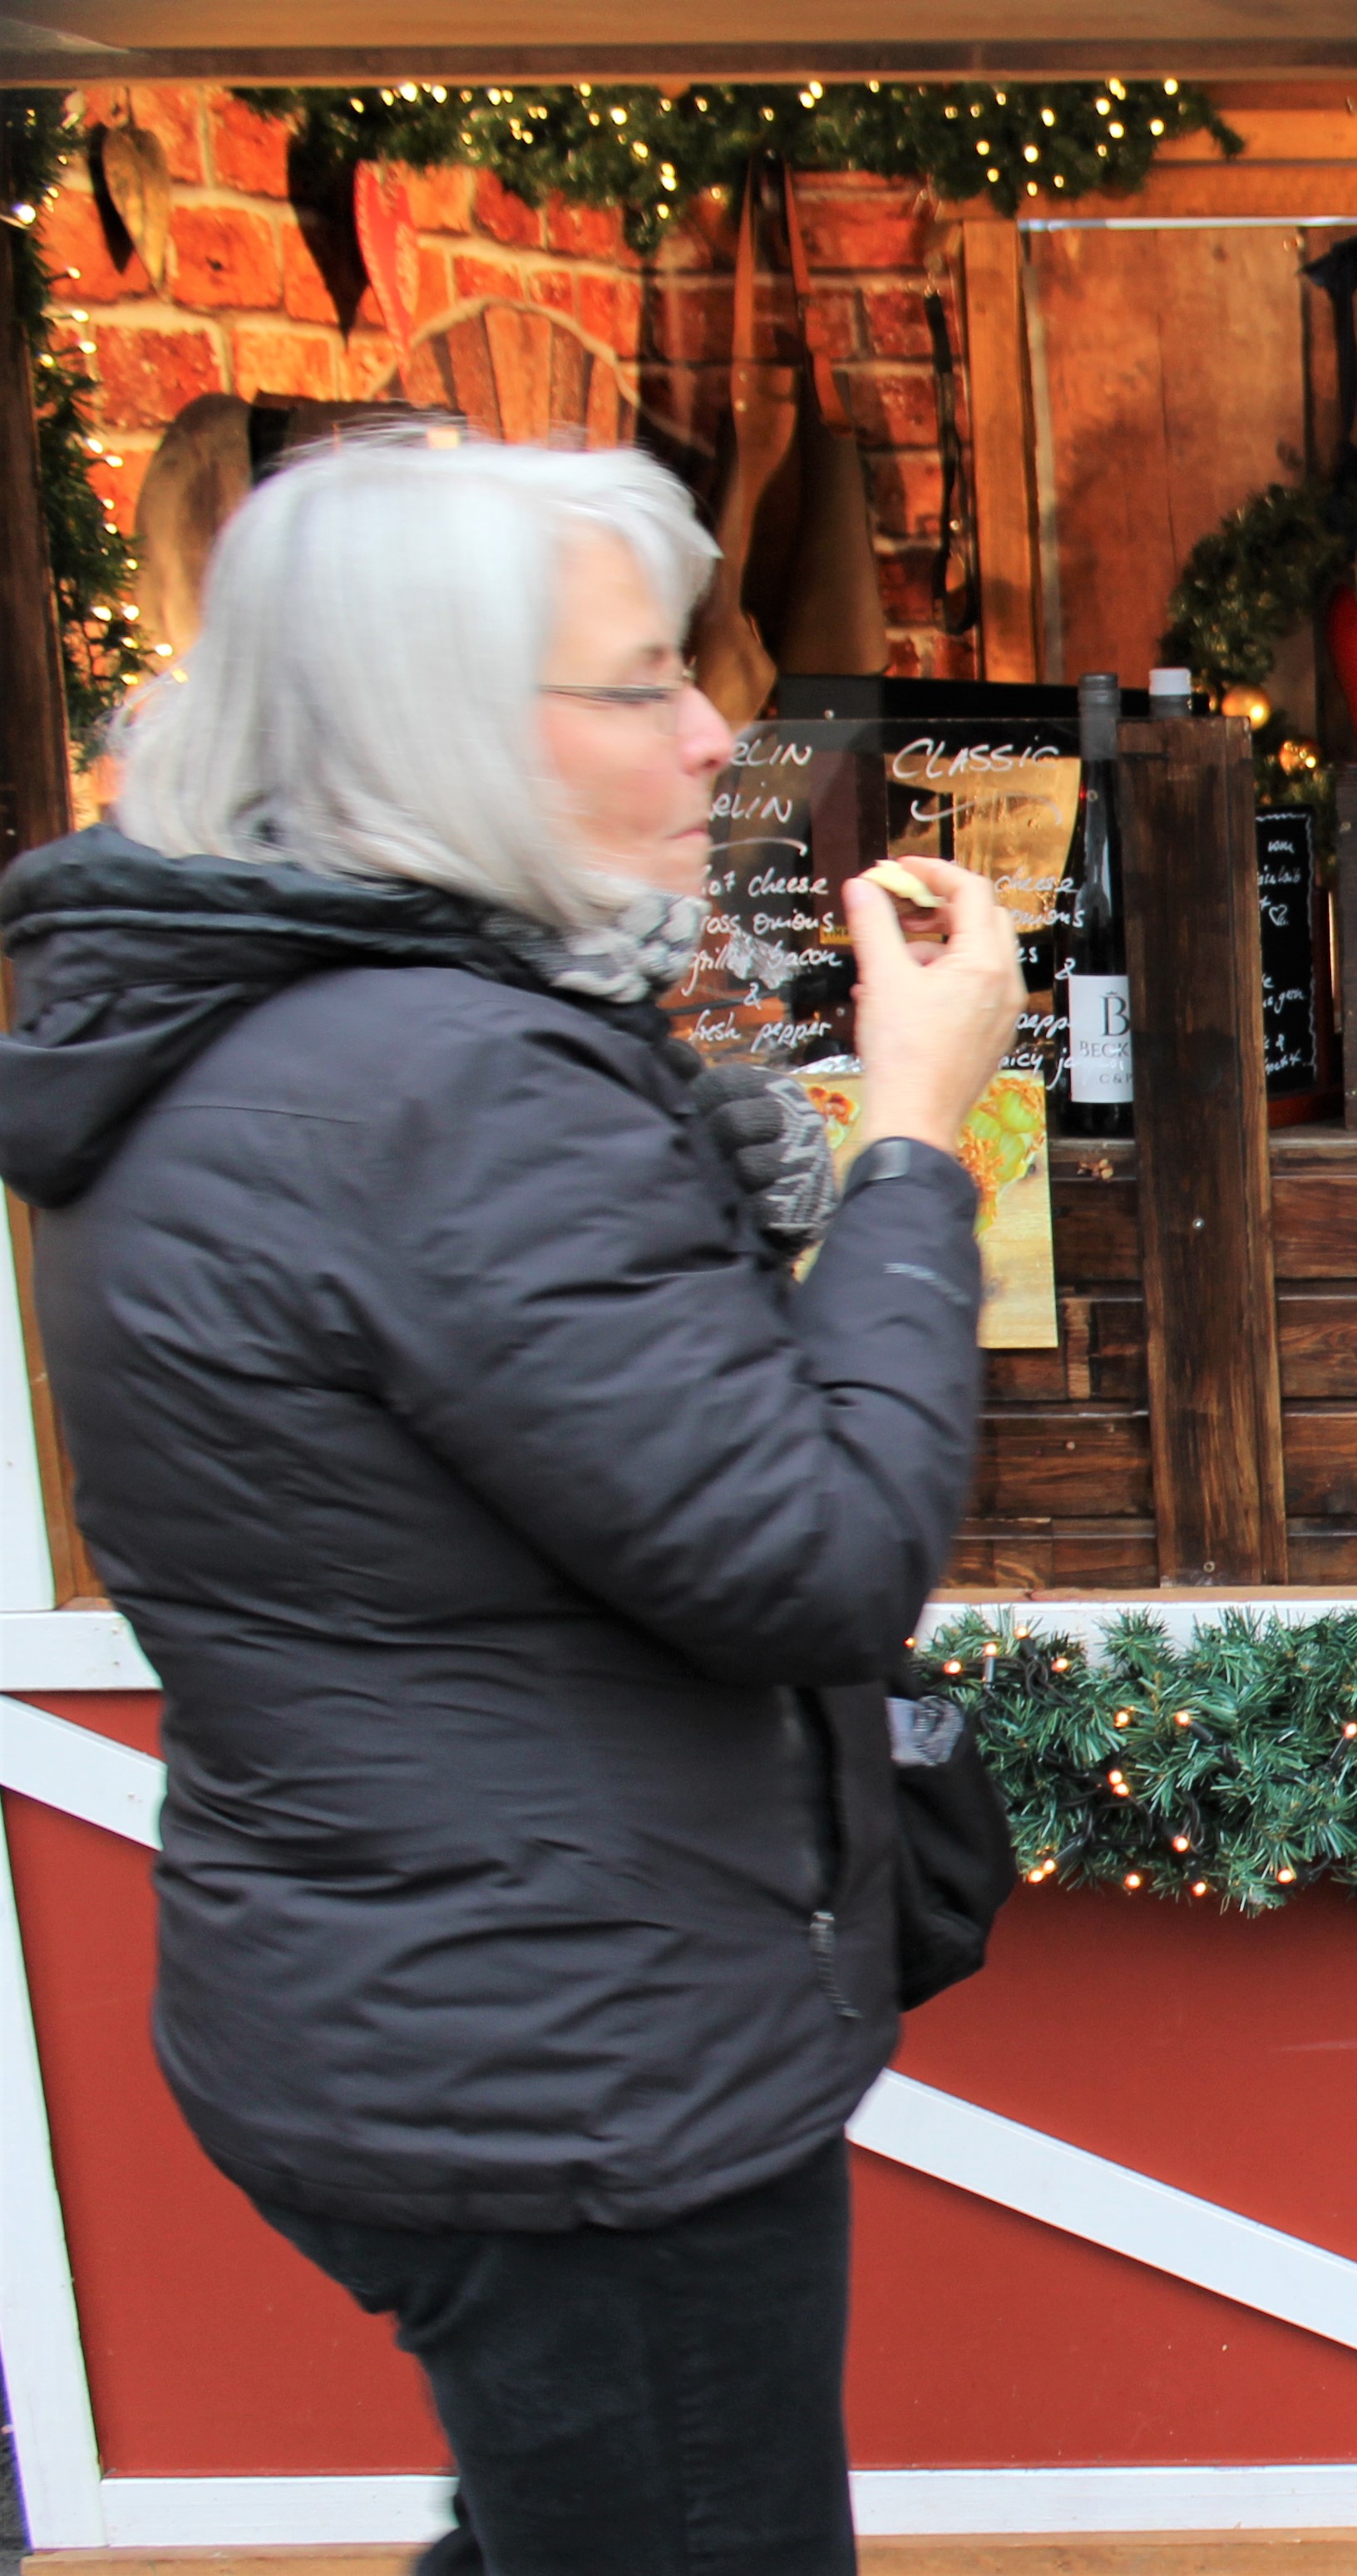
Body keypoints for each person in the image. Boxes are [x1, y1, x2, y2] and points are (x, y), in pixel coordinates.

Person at [0, 431, 1024, 2571]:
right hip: (571, 2058)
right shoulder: (446, 1086)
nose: (712, 729)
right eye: (639, 684)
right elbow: (822, 1555)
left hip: (444, 1998)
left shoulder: (262, 1032)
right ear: (442, 732)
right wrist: (920, 1132)